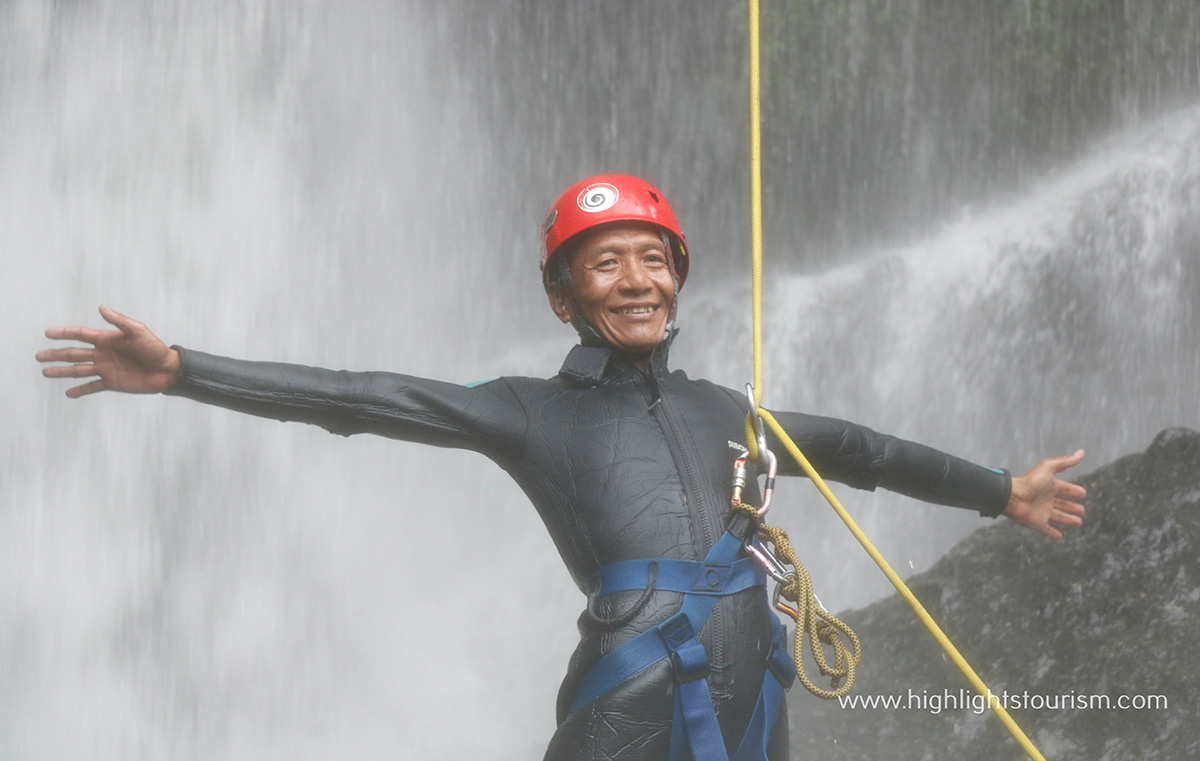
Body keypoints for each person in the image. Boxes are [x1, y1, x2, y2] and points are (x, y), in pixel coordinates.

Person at [37, 174, 1086, 761]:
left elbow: (863, 450)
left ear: (678, 279)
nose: (636, 277)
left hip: (756, 694)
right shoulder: (529, 413)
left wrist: (1003, 490)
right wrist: (183, 370)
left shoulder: (734, 411)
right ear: (564, 294)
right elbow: (358, 396)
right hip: (630, 695)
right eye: (606, 259)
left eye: (654, 256)